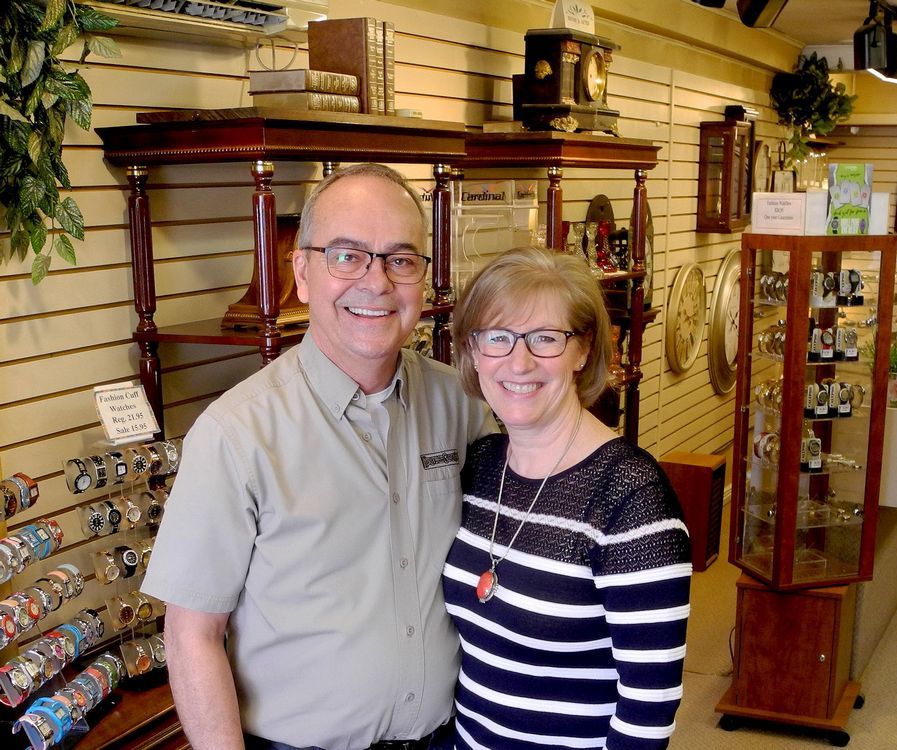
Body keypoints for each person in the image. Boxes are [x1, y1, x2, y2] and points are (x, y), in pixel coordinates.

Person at [142, 163, 495, 750]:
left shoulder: (462, 405)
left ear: (424, 280)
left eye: (401, 260)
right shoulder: (236, 434)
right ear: (302, 273)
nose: (377, 283)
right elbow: (190, 637)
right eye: (347, 256)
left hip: (448, 736)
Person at [443, 247, 692, 750]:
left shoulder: (632, 498)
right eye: (497, 337)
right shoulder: (481, 465)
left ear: (583, 350)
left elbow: (647, 712)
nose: (519, 361)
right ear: (473, 352)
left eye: (545, 338)